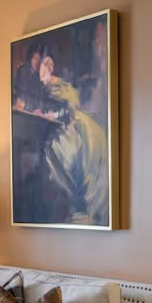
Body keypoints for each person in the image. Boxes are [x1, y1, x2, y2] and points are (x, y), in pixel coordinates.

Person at [38, 55, 110, 226]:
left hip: (75, 125)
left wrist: (52, 115)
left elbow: (69, 105)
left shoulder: (67, 136)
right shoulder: (87, 127)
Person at [12, 46, 46, 113]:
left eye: (39, 60)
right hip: (20, 108)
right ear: (30, 60)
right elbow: (21, 89)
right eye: (35, 59)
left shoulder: (39, 77)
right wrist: (19, 101)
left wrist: (39, 108)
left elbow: (41, 95)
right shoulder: (23, 70)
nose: (37, 62)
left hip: (31, 111)